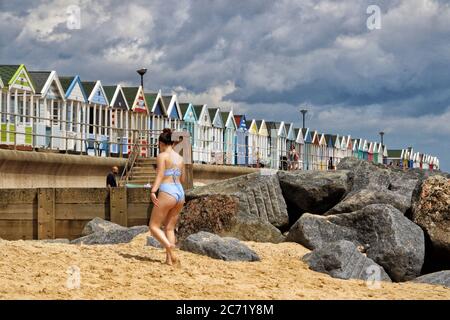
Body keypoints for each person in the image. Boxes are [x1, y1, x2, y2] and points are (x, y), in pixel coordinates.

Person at [149, 128, 185, 266]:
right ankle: (169, 260)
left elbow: (160, 175)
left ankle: (168, 246)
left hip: (167, 190)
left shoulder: (162, 156)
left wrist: (153, 190)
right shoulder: (180, 158)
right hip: (180, 192)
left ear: (161, 143)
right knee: (169, 228)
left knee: (153, 226)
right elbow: (183, 178)